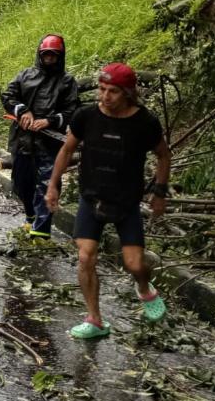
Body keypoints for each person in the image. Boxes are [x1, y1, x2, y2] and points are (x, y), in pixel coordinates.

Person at [46, 63, 171, 339]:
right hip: (91, 198)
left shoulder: (145, 123)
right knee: (85, 256)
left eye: (112, 91)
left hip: (126, 203)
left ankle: (143, 287)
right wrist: (53, 185)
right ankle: (95, 319)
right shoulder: (86, 116)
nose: (104, 96)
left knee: (135, 264)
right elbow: (67, 151)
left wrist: (159, 192)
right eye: (102, 89)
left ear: (128, 93)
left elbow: (163, 155)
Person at [1, 34, 80, 239]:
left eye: (54, 55)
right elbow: (8, 96)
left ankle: (41, 230)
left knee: (48, 182)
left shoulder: (67, 82)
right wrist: (23, 111)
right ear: (40, 54)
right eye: (46, 55)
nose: (49, 59)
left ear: (60, 56)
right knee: (21, 182)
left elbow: (72, 110)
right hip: (22, 139)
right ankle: (30, 215)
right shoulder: (25, 76)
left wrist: (50, 121)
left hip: (50, 142)